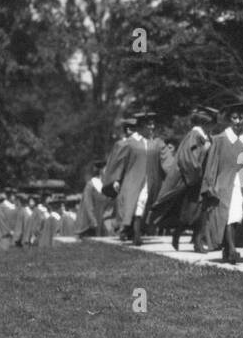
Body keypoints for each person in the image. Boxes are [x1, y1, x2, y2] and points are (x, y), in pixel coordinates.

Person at [149, 105, 216, 251]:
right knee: (189, 212)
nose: (212, 126)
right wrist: (198, 170)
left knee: (201, 211)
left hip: (203, 179)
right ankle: (179, 234)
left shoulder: (206, 136)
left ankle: (196, 242)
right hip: (191, 179)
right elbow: (188, 158)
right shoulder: (194, 135)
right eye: (210, 124)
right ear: (203, 123)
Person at [198, 104, 243, 263]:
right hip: (223, 184)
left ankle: (228, 247)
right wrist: (209, 184)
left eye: (241, 118)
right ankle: (232, 249)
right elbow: (212, 164)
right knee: (228, 216)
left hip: (242, 184)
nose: (238, 121)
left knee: (237, 216)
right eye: (235, 118)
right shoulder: (220, 139)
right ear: (230, 119)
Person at [104, 113, 166, 247]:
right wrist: (116, 180)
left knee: (142, 204)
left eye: (152, 124)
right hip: (132, 182)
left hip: (148, 182)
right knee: (136, 204)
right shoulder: (129, 143)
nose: (152, 127)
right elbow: (119, 163)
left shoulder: (154, 143)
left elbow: (166, 162)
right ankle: (135, 235)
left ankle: (134, 232)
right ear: (141, 126)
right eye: (149, 124)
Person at [72, 161, 114, 237]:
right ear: (101, 170)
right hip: (90, 225)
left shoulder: (106, 186)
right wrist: (93, 221)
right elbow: (88, 205)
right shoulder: (90, 185)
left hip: (102, 222)